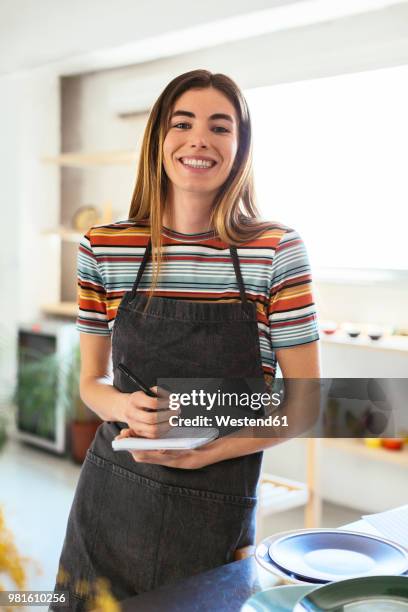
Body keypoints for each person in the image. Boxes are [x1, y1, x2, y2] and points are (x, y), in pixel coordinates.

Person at [51, 69, 320, 610]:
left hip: (216, 506)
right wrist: (123, 403)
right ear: (159, 138)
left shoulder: (276, 251)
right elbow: (90, 382)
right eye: (183, 123)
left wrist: (211, 451)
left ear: (240, 147)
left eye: (220, 127)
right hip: (112, 498)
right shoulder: (105, 248)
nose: (200, 138)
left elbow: (308, 403)